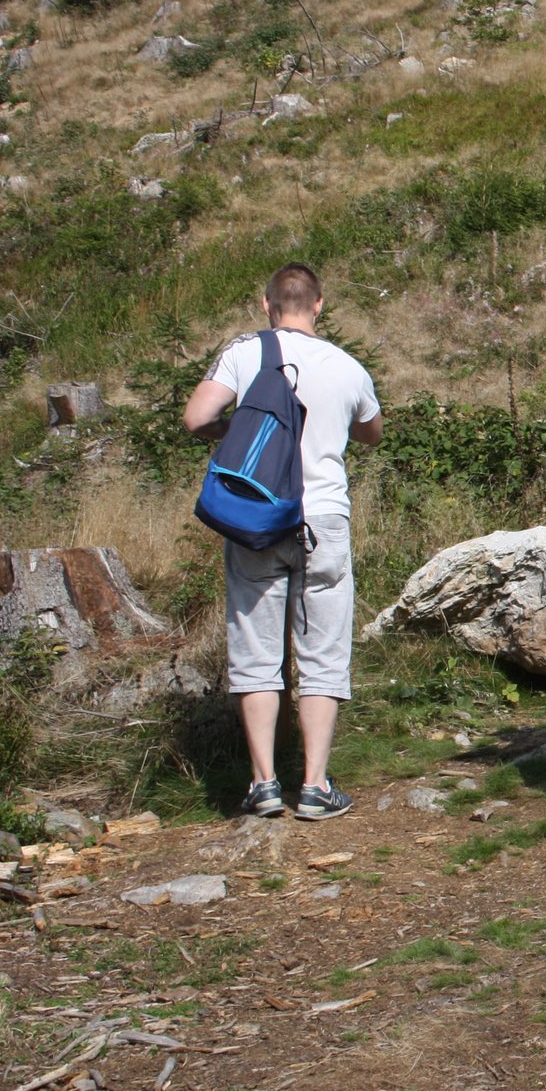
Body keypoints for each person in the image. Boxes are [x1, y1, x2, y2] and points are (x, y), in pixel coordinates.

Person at [182, 263, 382, 821]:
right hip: (323, 519)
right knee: (323, 652)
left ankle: (264, 784)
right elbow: (372, 431)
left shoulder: (245, 352)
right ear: (319, 305)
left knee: (256, 650)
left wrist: (242, 429)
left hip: (259, 515)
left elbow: (196, 418)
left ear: (266, 303)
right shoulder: (347, 366)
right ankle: (315, 786)